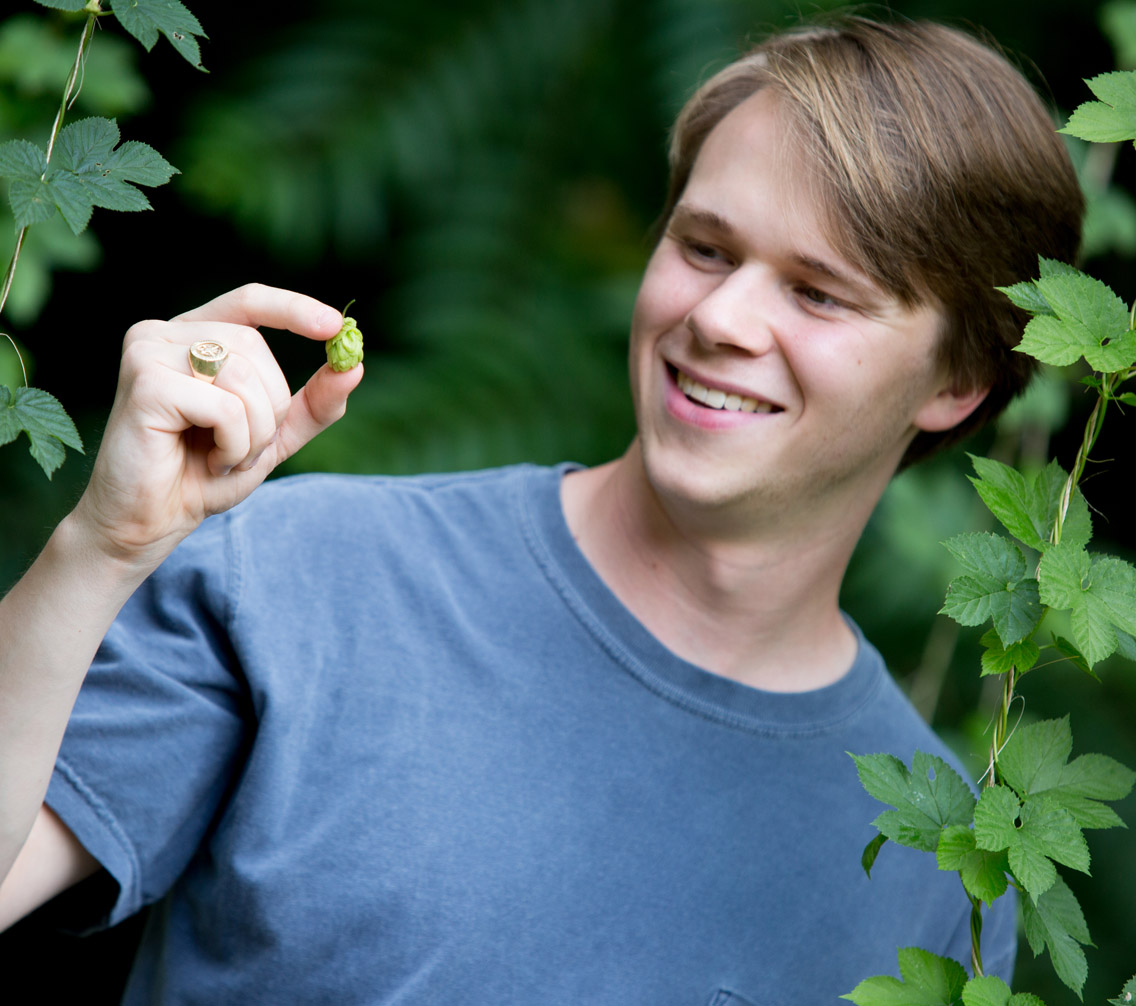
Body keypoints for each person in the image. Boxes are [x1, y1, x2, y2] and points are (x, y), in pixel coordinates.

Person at [0, 14, 1082, 1004]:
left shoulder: (943, 857)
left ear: (958, 381)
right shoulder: (305, 575)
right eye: (703, 247)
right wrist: (99, 552)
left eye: (817, 291)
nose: (719, 317)